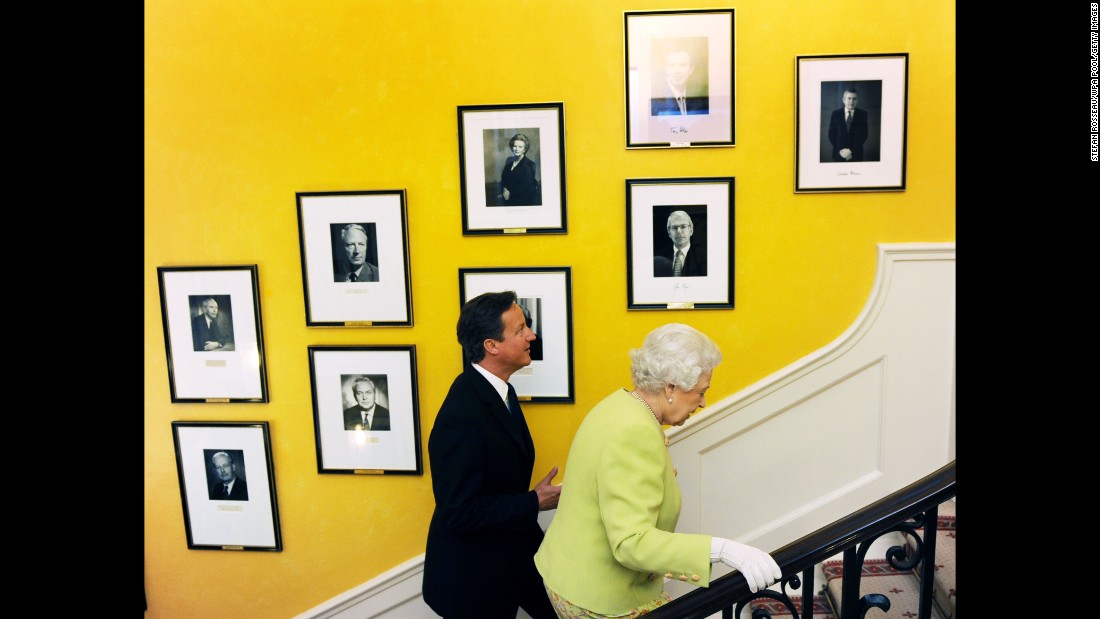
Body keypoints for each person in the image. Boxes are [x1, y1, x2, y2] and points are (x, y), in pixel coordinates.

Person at [534, 324, 781, 616]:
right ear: (670, 387)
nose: (702, 403)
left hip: (569, 572)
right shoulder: (635, 431)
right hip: (600, 595)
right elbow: (631, 543)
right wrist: (723, 549)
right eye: (701, 392)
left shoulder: (618, 404)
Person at [423, 291, 560, 619]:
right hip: (473, 580)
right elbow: (459, 511)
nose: (532, 336)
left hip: (511, 554)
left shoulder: (500, 390)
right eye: (520, 330)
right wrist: (533, 502)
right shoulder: (462, 413)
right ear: (492, 346)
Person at [651, 50, 709, 116]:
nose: (677, 71)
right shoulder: (655, 98)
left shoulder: (700, 98)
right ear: (666, 69)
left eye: (683, 65)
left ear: (691, 69)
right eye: (672, 65)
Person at [656, 210, 706, 277]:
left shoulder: (704, 257)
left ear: (691, 230)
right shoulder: (659, 257)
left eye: (683, 226)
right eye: (674, 227)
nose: (679, 231)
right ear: (669, 232)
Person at [827, 88, 869, 162]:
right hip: (839, 154)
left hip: (856, 155)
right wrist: (843, 152)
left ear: (857, 101)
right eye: (849, 98)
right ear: (844, 100)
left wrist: (850, 151)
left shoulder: (863, 114)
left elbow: (864, 135)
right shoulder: (836, 114)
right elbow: (831, 135)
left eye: (854, 99)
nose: (851, 102)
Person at [499, 133, 541, 206]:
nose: (517, 149)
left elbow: (527, 188)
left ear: (524, 150)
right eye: (515, 146)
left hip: (522, 203)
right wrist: (505, 189)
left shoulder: (529, 165)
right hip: (507, 202)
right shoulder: (508, 162)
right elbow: (504, 180)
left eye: (520, 147)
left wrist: (510, 192)